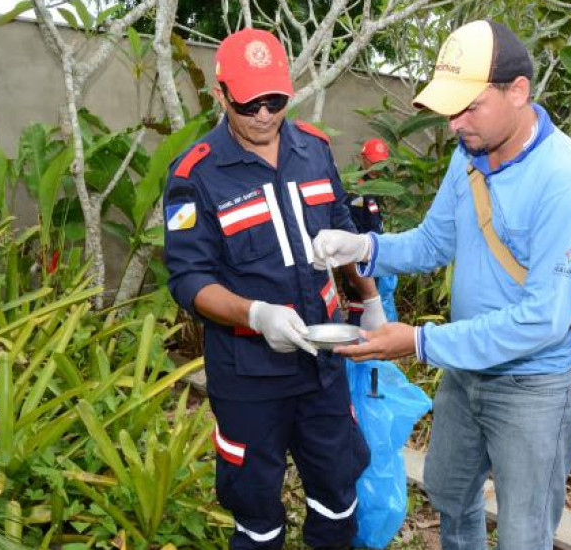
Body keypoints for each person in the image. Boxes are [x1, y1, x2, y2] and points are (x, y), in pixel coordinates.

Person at [312, 19, 571, 550]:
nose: (454, 125)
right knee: (451, 498)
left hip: (534, 385)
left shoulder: (565, 180)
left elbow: (542, 319)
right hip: (466, 372)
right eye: (451, 110)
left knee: (523, 533)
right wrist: (364, 248)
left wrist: (419, 342)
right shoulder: (468, 158)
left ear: (518, 92)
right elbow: (432, 243)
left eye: (469, 107)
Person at [163, 28, 386, 550]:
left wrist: (369, 300)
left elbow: (345, 237)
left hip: (321, 363)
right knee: (255, 507)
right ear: (222, 95)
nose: (263, 114)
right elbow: (189, 279)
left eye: (275, 100)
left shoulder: (314, 150)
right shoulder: (195, 174)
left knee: (337, 487)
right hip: (249, 374)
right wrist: (256, 314)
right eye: (248, 103)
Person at [343, 138, 398, 325]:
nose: (377, 167)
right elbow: (351, 229)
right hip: (361, 257)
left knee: (375, 304)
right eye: (374, 162)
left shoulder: (377, 185)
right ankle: (356, 349)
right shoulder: (356, 189)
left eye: (381, 163)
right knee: (361, 304)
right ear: (363, 159)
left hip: (375, 254)